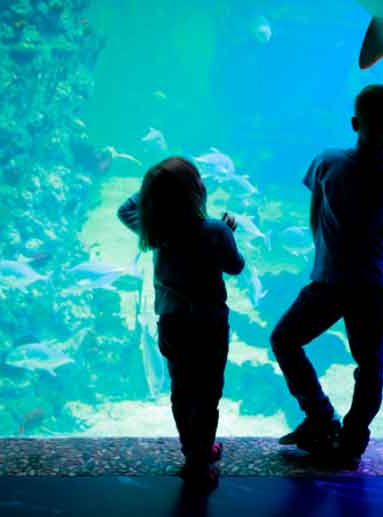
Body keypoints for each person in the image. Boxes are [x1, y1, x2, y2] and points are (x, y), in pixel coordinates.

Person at [270, 85, 383, 469]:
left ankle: (320, 417)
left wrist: (327, 253)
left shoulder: (327, 161)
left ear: (354, 123)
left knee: (284, 339)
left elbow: (313, 211)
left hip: (329, 281)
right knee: (371, 367)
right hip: (372, 286)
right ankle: (352, 439)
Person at [117, 157, 244, 492]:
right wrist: (228, 233)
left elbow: (123, 209)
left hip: (172, 324)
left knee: (182, 391)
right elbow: (236, 266)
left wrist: (155, 186)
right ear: (195, 192)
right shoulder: (214, 230)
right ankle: (200, 461)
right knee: (207, 394)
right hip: (209, 326)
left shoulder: (155, 230)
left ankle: (193, 451)